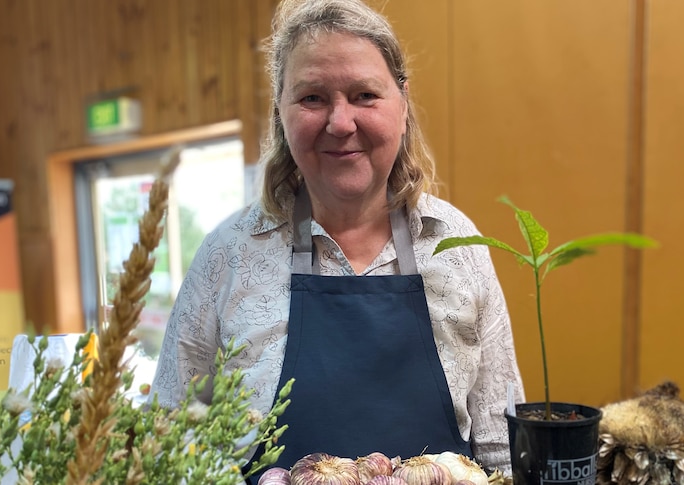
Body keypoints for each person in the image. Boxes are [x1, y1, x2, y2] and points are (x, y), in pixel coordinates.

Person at [150, 0, 525, 481]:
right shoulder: (229, 255)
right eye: (312, 98)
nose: (341, 122)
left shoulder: (456, 245)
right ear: (280, 112)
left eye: (365, 94)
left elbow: (503, 450)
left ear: (403, 104)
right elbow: (169, 439)